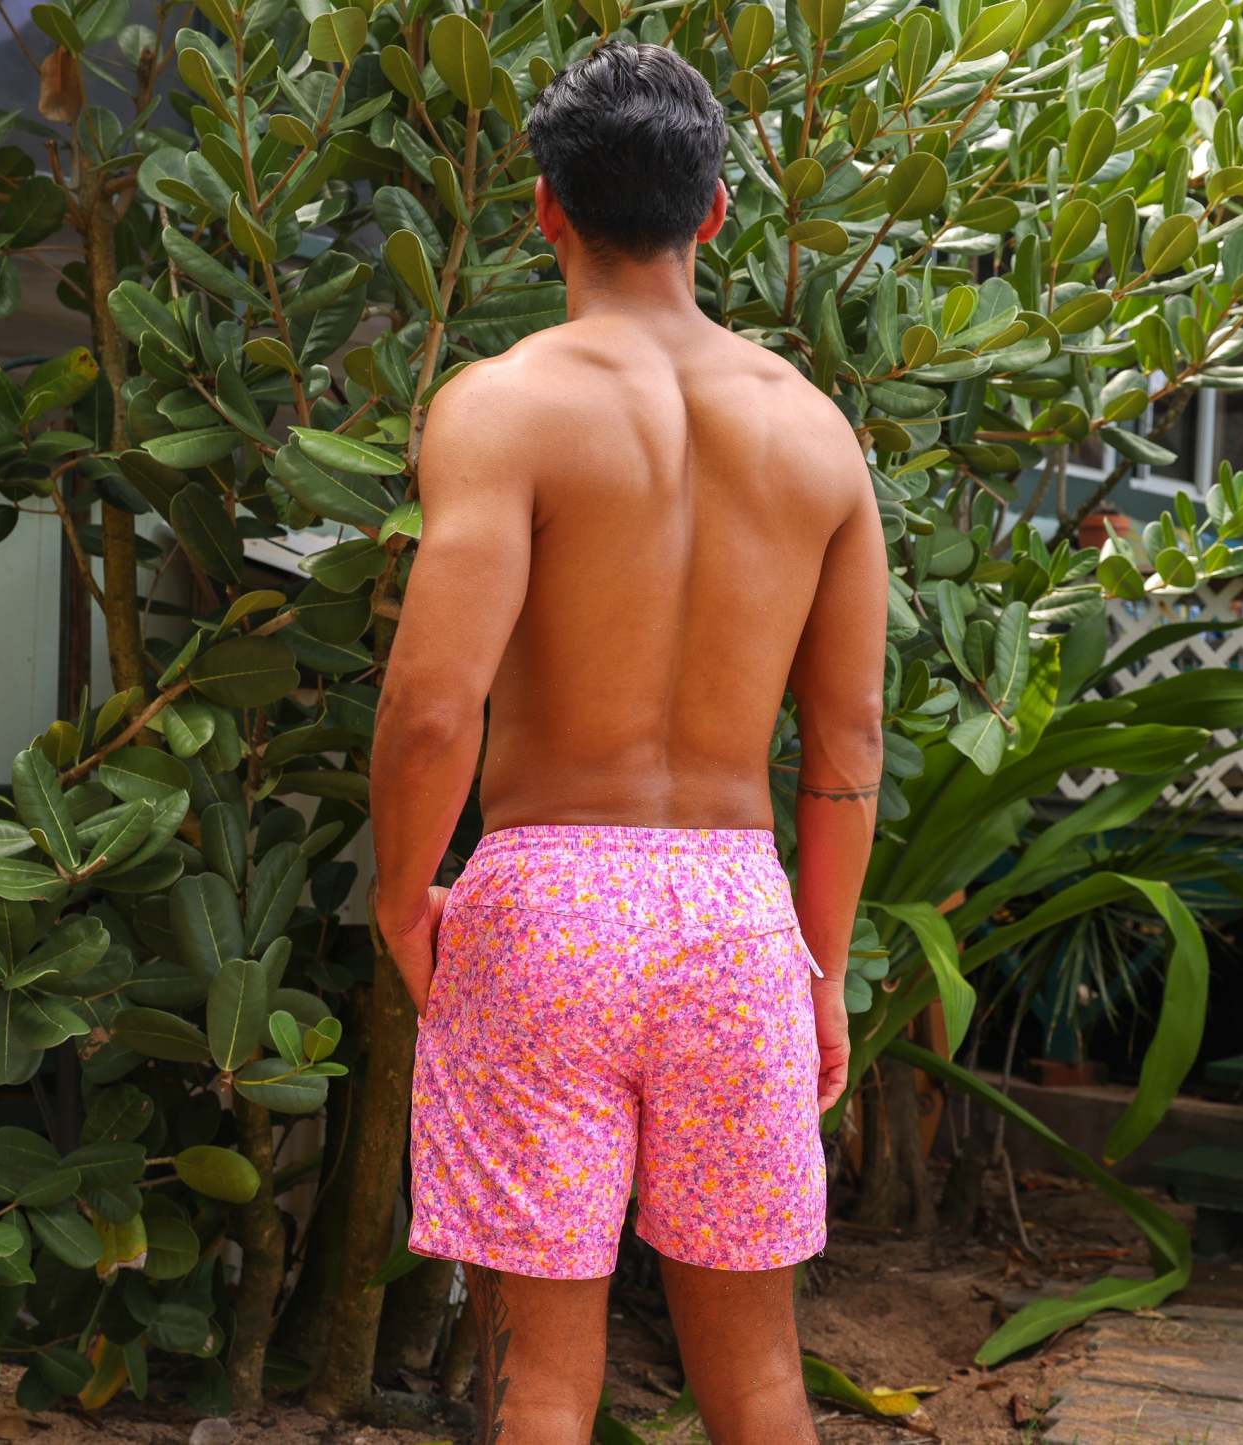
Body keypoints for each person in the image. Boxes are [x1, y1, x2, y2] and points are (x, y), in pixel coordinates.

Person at [369, 38, 887, 1445]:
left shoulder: (501, 405)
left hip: (540, 914)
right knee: (761, 1379)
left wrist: (404, 896)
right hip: (735, 920)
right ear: (714, 209)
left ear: (545, 206)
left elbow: (431, 706)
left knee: (542, 1383)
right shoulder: (817, 436)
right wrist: (821, 968)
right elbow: (847, 738)